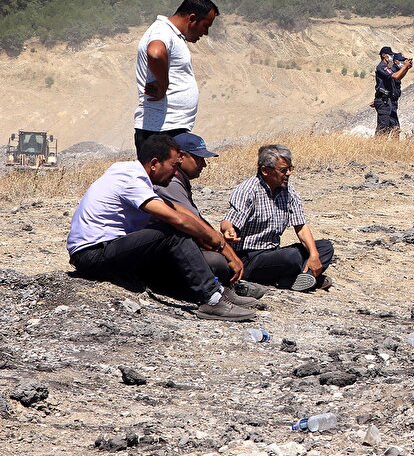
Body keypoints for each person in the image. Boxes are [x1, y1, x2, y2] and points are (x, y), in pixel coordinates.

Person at [67, 134, 254, 321]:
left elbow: (176, 209)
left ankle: (218, 291)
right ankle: (212, 300)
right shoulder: (130, 178)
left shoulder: (134, 176)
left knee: (171, 252)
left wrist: (215, 238)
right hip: (92, 254)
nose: (175, 172)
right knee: (172, 233)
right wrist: (216, 241)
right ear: (155, 163)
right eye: (173, 166)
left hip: (107, 250)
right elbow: (177, 219)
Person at [154, 132, 268, 300]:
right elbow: (193, 226)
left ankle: (225, 288)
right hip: (167, 252)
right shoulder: (170, 183)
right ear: (180, 157)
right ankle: (217, 293)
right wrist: (226, 252)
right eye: (199, 158)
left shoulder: (179, 180)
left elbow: (197, 221)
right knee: (217, 262)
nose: (204, 165)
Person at [221, 144, 335, 291]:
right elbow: (229, 222)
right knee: (292, 257)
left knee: (324, 247)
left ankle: (296, 278)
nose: (288, 173)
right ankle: (303, 277)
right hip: (249, 257)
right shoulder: (248, 191)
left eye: (290, 168)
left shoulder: (288, 190)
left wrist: (314, 255)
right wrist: (228, 230)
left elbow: (300, 226)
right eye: (283, 170)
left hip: (273, 252)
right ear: (265, 171)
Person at [133, 0, 219, 152]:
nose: (206, 32)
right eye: (205, 25)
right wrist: (163, 85)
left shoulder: (171, 34)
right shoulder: (162, 31)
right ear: (192, 18)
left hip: (168, 128)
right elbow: (155, 53)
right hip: (161, 130)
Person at [373, 46, 412, 136]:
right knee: (383, 128)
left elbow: (398, 77)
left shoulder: (387, 67)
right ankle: (376, 147)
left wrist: (406, 68)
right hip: (383, 100)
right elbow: (395, 76)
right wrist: (405, 66)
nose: (391, 56)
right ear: (383, 55)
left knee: (394, 127)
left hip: (388, 100)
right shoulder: (381, 67)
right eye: (390, 54)